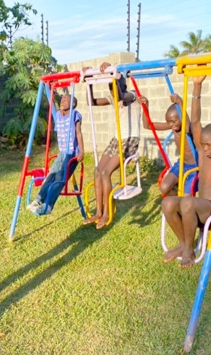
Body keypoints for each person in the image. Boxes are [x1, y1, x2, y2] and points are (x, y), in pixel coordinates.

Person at [161, 74, 211, 268]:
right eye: (201, 144)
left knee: (187, 202)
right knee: (168, 203)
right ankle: (184, 244)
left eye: (208, 145)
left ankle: (188, 250)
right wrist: (196, 86)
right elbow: (195, 122)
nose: (203, 149)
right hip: (197, 208)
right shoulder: (203, 154)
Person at [82, 61, 141, 229]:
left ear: (122, 82)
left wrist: (111, 77)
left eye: (116, 80)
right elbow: (91, 102)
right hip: (117, 139)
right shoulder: (114, 96)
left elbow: (120, 96)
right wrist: (90, 81)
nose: (114, 84)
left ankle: (108, 213)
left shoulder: (131, 95)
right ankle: (98, 212)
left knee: (106, 172)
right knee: (98, 170)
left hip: (130, 139)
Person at [27, 94, 85, 215]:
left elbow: (78, 133)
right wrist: (49, 89)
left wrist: (82, 151)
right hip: (62, 152)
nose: (63, 101)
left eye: (66, 100)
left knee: (60, 179)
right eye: (62, 99)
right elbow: (51, 102)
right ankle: (38, 200)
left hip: (72, 153)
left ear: (73, 104)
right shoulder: (58, 115)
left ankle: (48, 206)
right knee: (51, 175)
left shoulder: (75, 115)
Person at [138, 93, 198, 196]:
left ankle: (183, 206)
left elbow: (187, 127)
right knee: (164, 187)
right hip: (182, 164)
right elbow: (147, 125)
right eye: (168, 122)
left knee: (187, 197)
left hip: (194, 167)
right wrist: (145, 106)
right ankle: (176, 206)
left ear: (181, 117)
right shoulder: (173, 126)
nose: (171, 125)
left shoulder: (190, 127)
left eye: (173, 121)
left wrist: (180, 103)